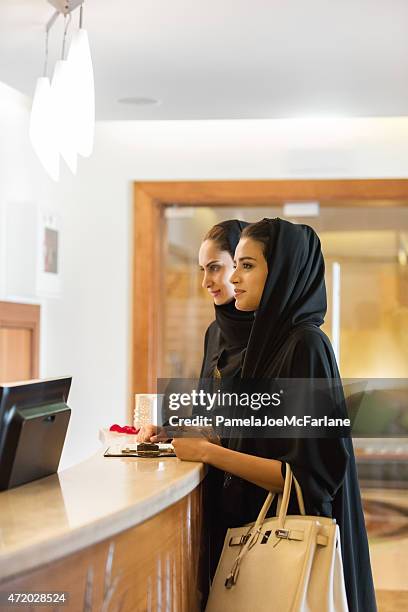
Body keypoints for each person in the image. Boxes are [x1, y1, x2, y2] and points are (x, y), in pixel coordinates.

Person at [172, 218, 377, 612]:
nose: (233, 278)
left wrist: (208, 453)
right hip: (249, 532)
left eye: (247, 266)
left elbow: (307, 479)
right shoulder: (266, 343)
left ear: (281, 272)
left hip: (285, 542)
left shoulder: (306, 346)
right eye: (235, 266)